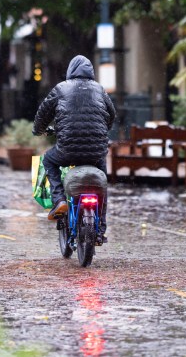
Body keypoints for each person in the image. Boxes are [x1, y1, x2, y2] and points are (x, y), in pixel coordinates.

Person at [33, 55, 116, 241]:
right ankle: (101, 227)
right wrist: (102, 130)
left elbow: (42, 114)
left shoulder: (61, 88)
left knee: (48, 160)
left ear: (71, 71)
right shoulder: (100, 90)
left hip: (67, 150)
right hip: (96, 151)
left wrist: (38, 130)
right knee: (102, 183)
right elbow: (112, 115)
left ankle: (59, 200)